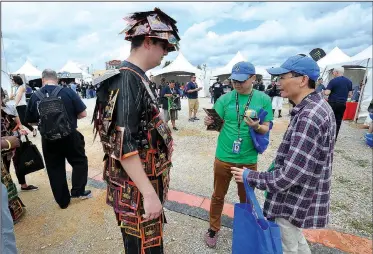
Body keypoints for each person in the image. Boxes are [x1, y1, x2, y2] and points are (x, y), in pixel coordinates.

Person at [92, 8, 180, 253]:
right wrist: (149, 194)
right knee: (143, 246)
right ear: (149, 41)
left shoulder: (137, 77)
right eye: (164, 46)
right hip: (136, 185)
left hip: (142, 178)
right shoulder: (127, 78)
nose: (165, 53)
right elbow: (123, 143)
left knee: (147, 243)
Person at [231, 55, 336, 254]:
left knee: (285, 246)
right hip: (300, 198)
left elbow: (289, 176)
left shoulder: (309, 116)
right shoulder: (317, 107)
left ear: (303, 80)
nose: (278, 83)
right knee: (296, 241)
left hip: (291, 201)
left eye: (282, 77)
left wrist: (250, 176)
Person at [203, 61, 273, 248]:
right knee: (218, 195)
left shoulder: (263, 99)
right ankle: (213, 228)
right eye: (234, 80)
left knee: (247, 198)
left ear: (253, 78)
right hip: (223, 157)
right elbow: (215, 125)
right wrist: (209, 121)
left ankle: (246, 229)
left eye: (242, 80)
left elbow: (266, 127)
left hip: (248, 160)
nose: (237, 84)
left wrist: (256, 126)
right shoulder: (224, 99)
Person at [25, 69, 91, 209]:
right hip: (70, 135)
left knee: (55, 168)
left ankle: (63, 201)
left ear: (43, 80)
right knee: (79, 161)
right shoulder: (67, 92)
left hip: (48, 139)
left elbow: (30, 121)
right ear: (57, 79)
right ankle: (78, 191)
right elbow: (83, 114)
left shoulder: (35, 96)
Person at [1, 100, 26, 223]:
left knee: (6, 176)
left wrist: (17, 131)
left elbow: (17, 123)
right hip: (5, 146)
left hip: (7, 149)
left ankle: (12, 208)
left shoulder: (7, 109)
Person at [324, 66, 353, 139]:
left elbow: (327, 93)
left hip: (332, 103)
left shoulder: (333, 81)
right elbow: (350, 94)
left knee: (329, 120)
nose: (333, 73)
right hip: (342, 104)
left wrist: (323, 91)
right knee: (338, 121)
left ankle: (327, 137)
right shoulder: (349, 81)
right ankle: (334, 138)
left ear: (336, 72)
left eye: (333, 72)